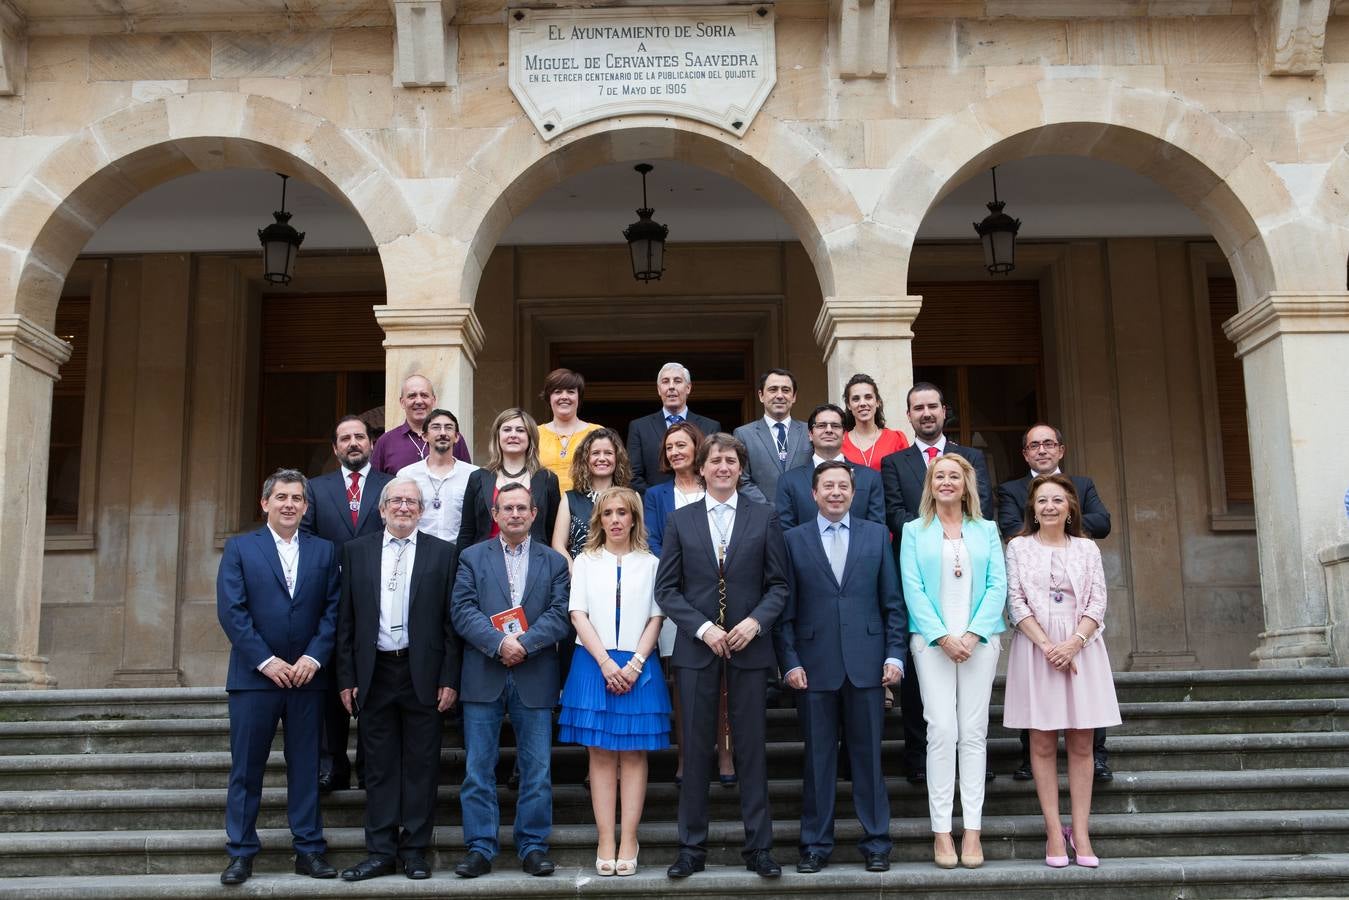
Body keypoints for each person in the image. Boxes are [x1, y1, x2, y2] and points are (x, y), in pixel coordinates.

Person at [656, 433, 789, 880]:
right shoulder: (682, 520)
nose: (723, 467)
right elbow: (667, 590)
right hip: (697, 649)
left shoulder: (765, 517)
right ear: (702, 468)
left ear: (740, 468)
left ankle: (760, 847)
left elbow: (779, 586)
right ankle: (692, 848)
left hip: (751, 650)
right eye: (715, 461)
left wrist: (755, 623)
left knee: (752, 749)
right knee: (694, 751)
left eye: (731, 461)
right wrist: (703, 627)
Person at [775, 460, 907, 874]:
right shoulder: (793, 540)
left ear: (854, 493)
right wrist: (790, 660)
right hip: (812, 668)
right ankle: (815, 844)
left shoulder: (874, 535)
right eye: (827, 486)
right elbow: (785, 610)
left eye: (843, 487)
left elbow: (892, 603)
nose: (835, 493)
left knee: (869, 758)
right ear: (814, 494)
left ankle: (877, 842)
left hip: (868, 664)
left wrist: (894, 654)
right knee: (818, 761)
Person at [216, 469, 340, 885]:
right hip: (255, 679)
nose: (289, 504)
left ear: (306, 507)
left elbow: (334, 611)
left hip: (308, 679)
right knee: (246, 770)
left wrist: (313, 658)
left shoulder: (325, 552)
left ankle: (308, 850)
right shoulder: (240, 549)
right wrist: (266, 661)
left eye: (297, 498)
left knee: (305, 768)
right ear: (265, 502)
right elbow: (232, 611)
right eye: (281, 497)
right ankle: (240, 852)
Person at [334, 478, 461, 882]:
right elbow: (346, 621)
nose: (404, 507)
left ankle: (415, 851)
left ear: (421, 510)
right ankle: (380, 851)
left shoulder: (443, 554)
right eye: (396, 501)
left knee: (423, 766)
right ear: (382, 508)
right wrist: (346, 677)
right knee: (380, 767)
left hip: (422, 673)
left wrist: (449, 677)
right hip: (375, 672)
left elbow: (450, 624)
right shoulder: (356, 552)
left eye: (411, 501)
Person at [449, 482, 571, 878]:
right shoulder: (470, 557)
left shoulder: (553, 561)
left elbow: (560, 613)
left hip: (535, 673)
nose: (515, 514)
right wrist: (500, 642)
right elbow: (462, 610)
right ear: (496, 514)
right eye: (508, 508)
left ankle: (533, 846)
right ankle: (480, 848)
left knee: (537, 770)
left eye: (523, 508)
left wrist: (525, 644)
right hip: (484, 672)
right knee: (478, 769)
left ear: (535, 514)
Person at [880, 381, 995, 784]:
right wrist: (926, 530)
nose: (926, 413)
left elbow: (985, 509)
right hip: (921, 568)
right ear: (908, 415)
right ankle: (917, 755)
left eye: (932, 406)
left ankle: (975, 758)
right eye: (917, 408)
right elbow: (892, 511)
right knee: (922, 680)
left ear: (944, 411)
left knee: (973, 688)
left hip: (968, 574)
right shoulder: (895, 463)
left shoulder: (971, 456)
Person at [1003, 475, 1121, 869]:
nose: (1050, 506)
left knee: (1083, 741)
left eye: (1057, 500)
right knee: (1040, 742)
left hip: (1081, 646)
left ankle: (1082, 830)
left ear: (1070, 507)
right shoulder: (1018, 547)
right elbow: (1016, 602)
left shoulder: (1087, 548)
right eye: (1042, 501)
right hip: (1037, 646)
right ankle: (1054, 829)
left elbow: (1098, 600)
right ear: (1032, 509)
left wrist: (1073, 643)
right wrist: (1049, 647)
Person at [899, 454, 1006, 870]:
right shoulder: (914, 531)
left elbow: (998, 585)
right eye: (939, 476)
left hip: (980, 641)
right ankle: (942, 831)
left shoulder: (987, 530)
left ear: (966, 485)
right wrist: (943, 636)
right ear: (930, 484)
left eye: (954, 477)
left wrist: (974, 633)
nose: (947, 482)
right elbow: (912, 588)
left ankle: (973, 830)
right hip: (932, 642)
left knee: (974, 732)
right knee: (942, 730)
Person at [559, 487, 671, 876]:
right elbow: (577, 613)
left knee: (635, 754)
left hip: (639, 666)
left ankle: (629, 838)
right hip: (594, 662)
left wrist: (636, 662)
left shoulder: (652, 562)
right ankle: (606, 838)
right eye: (609, 514)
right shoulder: (587, 561)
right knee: (601, 755)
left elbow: (657, 616)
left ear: (635, 518)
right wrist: (606, 663)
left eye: (623, 513)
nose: (616, 520)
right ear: (599, 519)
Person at [996, 422, 1114, 782]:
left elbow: (1102, 522)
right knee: (1037, 698)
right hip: (1036, 621)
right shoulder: (1010, 489)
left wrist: (1064, 525)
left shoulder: (1084, 485)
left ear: (1061, 449)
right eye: (1035, 445)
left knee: (1086, 701)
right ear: (1025, 454)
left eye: (1049, 444)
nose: (1043, 450)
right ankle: (1030, 757)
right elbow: (1009, 526)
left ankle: (1097, 755)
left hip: (1078, 619)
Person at [300, 415, 392, 794]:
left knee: (373, 683)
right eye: (345, 438)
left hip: (380, 598)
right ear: (335, 448)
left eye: (359, 437)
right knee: (330, 686)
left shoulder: (392, 486)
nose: (353, 443)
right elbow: (305, 539)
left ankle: (370, 766)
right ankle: (331, 765)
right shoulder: (316, 490)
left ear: (371, 444)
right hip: (329, 599)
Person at [641, 421, 733, 785]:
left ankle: (725, 753)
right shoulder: (656, 495)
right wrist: (683, 573)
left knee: (726, 678)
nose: (676, 452)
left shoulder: (718, 485)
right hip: (678, 598)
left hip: (724, 594)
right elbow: (653, 541)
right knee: (683, 681)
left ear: (697, 449)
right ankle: (687, 756)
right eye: (669, 447)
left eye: (682, 445)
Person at [458, 408, 561, 548]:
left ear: (530, 437)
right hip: (484, 563)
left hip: (535, 563)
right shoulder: (478, 478)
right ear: (497, 436)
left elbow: (553, 533)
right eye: (507, 430)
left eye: (520, 430)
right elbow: (467, 531)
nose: (513, 435)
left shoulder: (547, 479)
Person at [776, 403, 885, 530]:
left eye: (835, 426)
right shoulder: (789, 481)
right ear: (810, 434)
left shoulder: (870, 478)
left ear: (844, 434)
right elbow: (786, 533)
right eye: (821, 426)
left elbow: (876, 532)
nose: (829, 430)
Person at [627, 362, 721, 493]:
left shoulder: (710, 426)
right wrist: (659, 499)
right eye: (665, 382)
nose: (671, 387)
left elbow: (715, 469)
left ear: (688, 388)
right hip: (657, 507)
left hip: (699, 503)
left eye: (677, 381)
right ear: (659, 390)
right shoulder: (639, 427)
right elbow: (633, 475)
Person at [397, 408, 478, 545]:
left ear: (457, 437)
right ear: (424, 436)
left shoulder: (473, 475)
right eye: (436, 427)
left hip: (459, 554)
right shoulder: (407, 475)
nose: (442, 433)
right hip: (419, 552)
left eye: (448, 428)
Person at [551, 427, 632, 562]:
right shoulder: (569, 499)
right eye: (595, 453)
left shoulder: (631, 497)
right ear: (585, 459)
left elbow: (638, 542)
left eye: (608, 453)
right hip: (578, 576)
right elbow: (558, 545)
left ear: (617, 458)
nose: (602, 458)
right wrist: (574, 571)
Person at [732, 368, 811, 504]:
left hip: (804, 514)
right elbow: (742, 479)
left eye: (786, 390)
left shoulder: (809, 431)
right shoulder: (743, 434)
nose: (780, 395)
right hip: (763, 517)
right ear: (761, 395)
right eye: (773, 389)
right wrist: (769, 508)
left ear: (794, 397)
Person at [370, 373, 471, 474]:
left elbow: (468, 478)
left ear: (434, 400)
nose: (419, 401)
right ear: (402, 402)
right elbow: (375, 484)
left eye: (424, 395)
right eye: (412, 396)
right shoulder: (385, 442)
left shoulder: (451, 438)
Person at [537, 368, 602, 492]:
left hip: (586, 507)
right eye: (557, 392)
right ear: (549, 397)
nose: (564, 397)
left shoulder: (596, 432)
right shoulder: (535, 434)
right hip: (543, 507)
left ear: (579, 397)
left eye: (571, 392)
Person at [841, 373, 909, 470]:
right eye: (856, 399)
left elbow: (906, 476)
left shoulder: (896, 439)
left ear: (877, 402)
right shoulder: (840, 442)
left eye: (868, 397)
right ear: (848, 405)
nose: (862, 403)